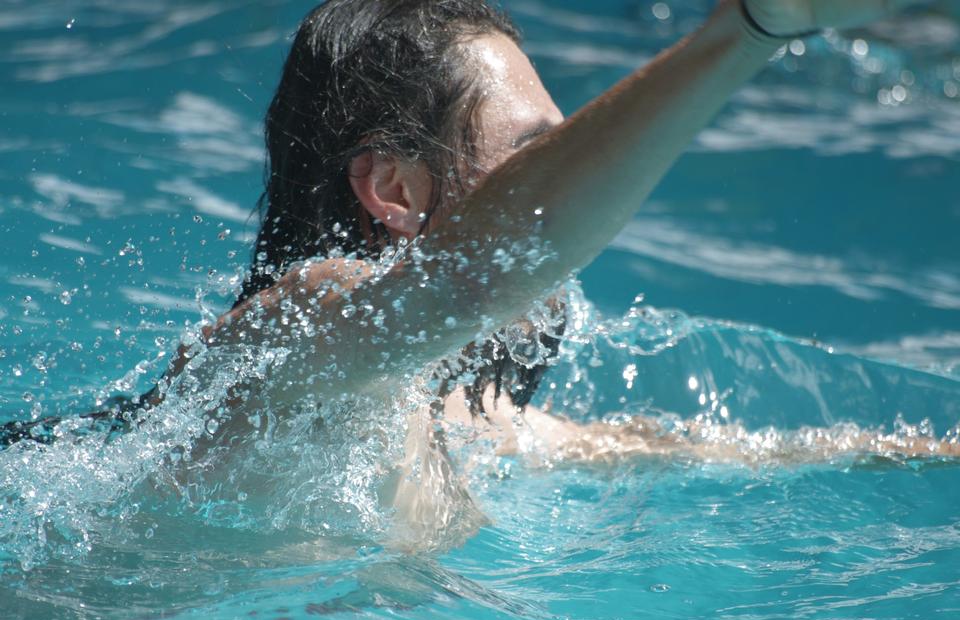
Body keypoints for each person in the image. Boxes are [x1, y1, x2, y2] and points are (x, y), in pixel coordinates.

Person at [3, 0, 955, 544]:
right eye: (537, 153)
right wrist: (746, 31)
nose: (576, 177)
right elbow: (476, 275)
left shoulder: (459, 416)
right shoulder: (293, 336)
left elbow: (681, 449)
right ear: (395, 188)